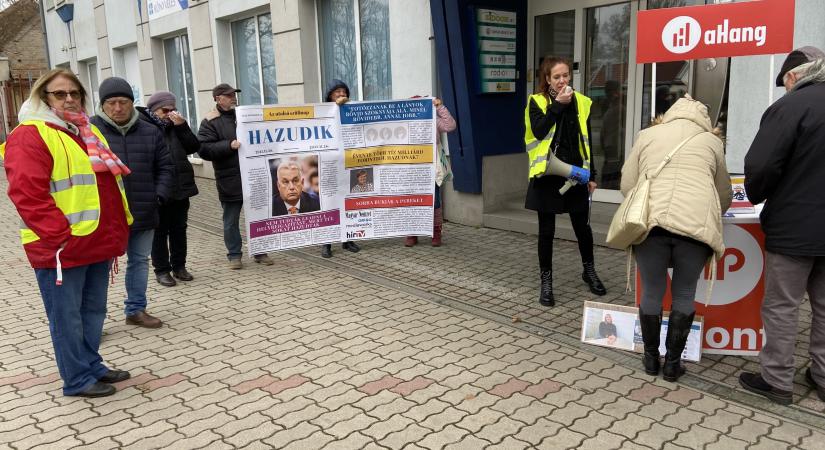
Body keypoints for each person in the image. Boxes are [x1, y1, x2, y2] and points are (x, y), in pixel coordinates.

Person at [2, 68, 133, 397]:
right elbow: (27, 194)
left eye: (75, 93)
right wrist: (60, 235)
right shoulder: (30, 134)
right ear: (43, 97)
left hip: (95, 242)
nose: (70, 99)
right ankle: (77, 379)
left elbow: (105, 186)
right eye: (60, 94)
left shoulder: (85, 131)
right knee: (67, 319)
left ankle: (91, 363)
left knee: (93, 312)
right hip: (61, 247)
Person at [620, 95, 732, 382]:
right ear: (704, 119)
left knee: (652, 292)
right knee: (684, 293)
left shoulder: (647, 135)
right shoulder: (711, 143)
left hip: (651, 225)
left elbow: (627, 184)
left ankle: (649, 359)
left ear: (668, 114)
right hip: (694, 229)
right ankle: (672, 364)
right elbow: (723, 195)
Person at [739, 48, 825, 405]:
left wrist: (760, 195)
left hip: (793, 228)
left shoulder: (789, 107)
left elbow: (760, 166)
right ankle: (822, 376)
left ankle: (777, 380)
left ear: (793, 77)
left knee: (782, 306)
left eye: (785, 82)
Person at [91, 77, 174, 329]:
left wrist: (158, 196)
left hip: (143, 209)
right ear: (102, 105)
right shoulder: (90, 131)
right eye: (112, 103)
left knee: (139, 261)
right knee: (99, 270)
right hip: (105, 216)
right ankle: (95, 320)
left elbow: (166, 167)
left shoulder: (151, 131)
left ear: (132, 103)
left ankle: (136, 310)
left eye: (123, 102)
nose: (118, 108)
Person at [524, 56, 606, 308]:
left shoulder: (581, 101)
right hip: (547, 176)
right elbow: (538, 130)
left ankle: (589, 271)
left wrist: (591, 175)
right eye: (556, 77)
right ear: (547, 79)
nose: (562, 81)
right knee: (546, 232)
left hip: (575, 173)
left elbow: (587, 140)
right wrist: (557, 105)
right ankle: (546, 281)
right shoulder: (536, 101)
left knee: (583, 227)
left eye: (565, 76)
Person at [197, 83, 275, 269]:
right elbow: (203, 149)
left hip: (254, 177)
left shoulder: (245, 116)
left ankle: (260, 251)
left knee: (257, 216)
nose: (233, 97)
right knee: (230, 220)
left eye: (234, 94)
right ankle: (234, 255)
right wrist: (227, 145)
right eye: (229, 95)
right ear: (217, 98)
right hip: (230, 179)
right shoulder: (210, 121)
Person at [137, 91, 200, 287]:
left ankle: (179, 267)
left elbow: (193, 147)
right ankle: (162, 270)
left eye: (173, 109)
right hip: (158, 189)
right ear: (154, 109)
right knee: (159, 231)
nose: (170, 113)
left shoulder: (176, 126)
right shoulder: (143, 127)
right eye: (166, 110)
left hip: (181, 187)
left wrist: (183, 127)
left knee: (179, 229)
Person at [404, 96, 456, 247]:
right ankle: (412, 233)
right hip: (411, 170)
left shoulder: (434, 121)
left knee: (434, 200)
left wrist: (440, 107)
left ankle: (436, 231)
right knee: (411, 200)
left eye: (421, 106)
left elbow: (450, 125)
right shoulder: (405, 124)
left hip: (431, 168)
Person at [320, 79, 360, 258]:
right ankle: (326, 243)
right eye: (337, 91)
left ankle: (348, 239)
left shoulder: (351, 111)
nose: (341, 94)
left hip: (348, 164)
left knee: (348, 204)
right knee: (328, 205)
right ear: (329, 95)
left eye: (344, 91)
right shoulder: (321, 113)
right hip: (328, 166)